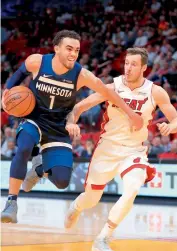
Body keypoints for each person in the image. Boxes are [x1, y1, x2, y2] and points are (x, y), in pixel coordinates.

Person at [1, 30, 143, 224]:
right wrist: (6, 92)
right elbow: (18, 75)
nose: (73, 54)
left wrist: (131, 113)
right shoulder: (37, 61)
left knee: (61, 181)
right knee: (24, 147)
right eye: (69, 49)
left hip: (59, 127)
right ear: (56, 48)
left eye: (76, 50)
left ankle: (40, 168)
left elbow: (108, 93)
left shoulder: (81, 75)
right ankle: (11, 202)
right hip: (34, 117)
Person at [64, 47, 177, 251]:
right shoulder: (112, 87)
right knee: (91, 199)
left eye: (134, 64)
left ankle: (103, 237)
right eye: (126, 63)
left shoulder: (155, 91)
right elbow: (79, 107)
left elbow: (175, 118)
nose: (128, 68)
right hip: (107, 149)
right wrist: (72, 122)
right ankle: (78, 205)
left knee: (132, 188)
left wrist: (171, 127)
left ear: (144, 67)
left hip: (134, 150)